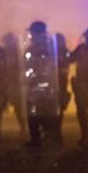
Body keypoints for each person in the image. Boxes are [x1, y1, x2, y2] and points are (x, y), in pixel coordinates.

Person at [23, 21, 61, 150]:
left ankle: (49, 138)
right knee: (32, 113)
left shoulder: (49, 48)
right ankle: (36, 139)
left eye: (33, 33)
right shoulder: (32, 49)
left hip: (46, 87)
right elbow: (26, 66)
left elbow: (52, 67)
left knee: (46, 112)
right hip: (33, 86)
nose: (32, 36)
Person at [1, 33, 27, 138]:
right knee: (6, 106)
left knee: (17, 107)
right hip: (7, 82)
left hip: (13, 83)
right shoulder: (4, 51)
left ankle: (23, 128)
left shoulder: (15, 52)